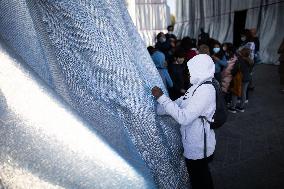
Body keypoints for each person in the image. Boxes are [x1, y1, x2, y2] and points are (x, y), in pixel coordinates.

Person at [152, 54, 216, 189]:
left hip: (199, 146)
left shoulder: (205, 90)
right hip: (192, 141)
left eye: (192, 69)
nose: (189, 72)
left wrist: (162, 98)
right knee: (199, 178)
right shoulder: (196, 86)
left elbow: (184, 117)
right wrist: (160, 108)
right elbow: (181, 102)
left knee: (200, 180)